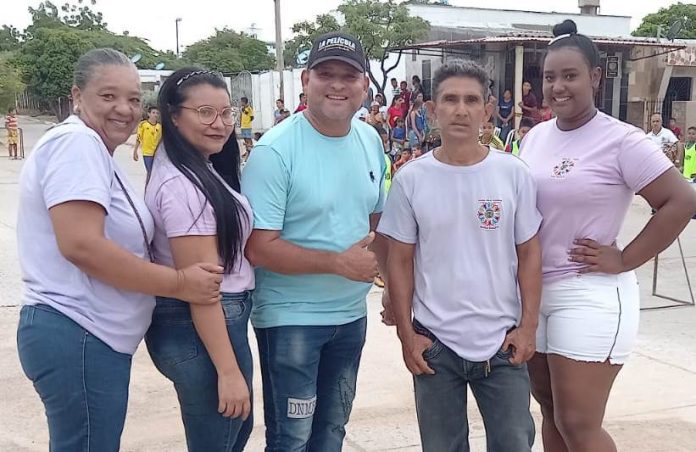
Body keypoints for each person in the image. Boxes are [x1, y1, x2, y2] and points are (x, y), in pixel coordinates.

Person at [15, 48, 222, 452]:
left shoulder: (95, 152)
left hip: (91, 337)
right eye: (108, 96)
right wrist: (179, 282)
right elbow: (82, 245)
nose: (124, 110)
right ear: (77, 95)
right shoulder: (77, 144)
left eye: (132, 99)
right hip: (77, 330)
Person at [521, 20, 696, 452]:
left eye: (570, 75)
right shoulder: (536, 137)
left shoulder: (622, 141)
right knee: (549, 412)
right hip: (534, 292)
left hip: (590, 294)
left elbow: (681, 200)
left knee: (578, 422)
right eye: (549, 77)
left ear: (595, 78)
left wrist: (625, 258)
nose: (558, 86)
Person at [377, 59, 542, 452]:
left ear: (488, 110)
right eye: (450, 100)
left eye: (472, 100)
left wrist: (528, 327)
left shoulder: (513, 174)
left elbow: (530, 255)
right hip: (435, 344)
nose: (461, 109)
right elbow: (398, 262)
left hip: (502, 343)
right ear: (432, 110)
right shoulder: (411, 179)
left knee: (514, 443)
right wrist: (407, 335)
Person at [240, 31, 388, 452]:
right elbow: (259, 247)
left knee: (331, 433)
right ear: (305, 80)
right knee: (293, 439)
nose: (337, 84)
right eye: (326, 74)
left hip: (350, 316)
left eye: (349, 75)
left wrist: (393, 286)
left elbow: (376, 219)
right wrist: (338, 264)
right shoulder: (276, 151)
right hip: (291, 320)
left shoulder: (369, 139)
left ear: (365, 85)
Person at [144, 68, 255, 451]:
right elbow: (202, 286)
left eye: (226, 113)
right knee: (220, 436)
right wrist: (227, 371)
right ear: (174, 116)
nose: (220, 123)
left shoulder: (198, 167)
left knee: (230, 433)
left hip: (214, 320)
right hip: (205, 322)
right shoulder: (181, 185)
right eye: (205, 112)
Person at [132, 106, 162, 178]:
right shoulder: (143, 125)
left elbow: (161, 140)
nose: (155, 115)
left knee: (156, 173)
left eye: (157, 113)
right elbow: (139, 138)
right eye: (153, 113)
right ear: (149, 114)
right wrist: (135, 151)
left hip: (157, 154)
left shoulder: (159, 126)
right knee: (150, 172)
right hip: (147, 153)